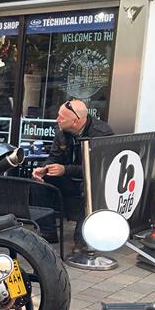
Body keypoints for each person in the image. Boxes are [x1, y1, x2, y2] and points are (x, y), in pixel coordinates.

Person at [33, 99, 114, 251]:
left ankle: (82, 240)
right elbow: (53, 157)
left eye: (61, 117)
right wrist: (43, 168)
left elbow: (97, 168)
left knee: (90, 187)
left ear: (75, 121)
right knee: (39, 181)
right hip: (69, 178)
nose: (57, 120)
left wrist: (65, 169)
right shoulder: (62, 133)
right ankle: (48, 231)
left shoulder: (102, 133)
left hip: (93, 179)